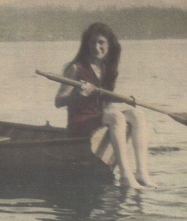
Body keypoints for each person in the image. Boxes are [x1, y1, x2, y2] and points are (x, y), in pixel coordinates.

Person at [55, 23, 155, 188]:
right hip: (79, 121)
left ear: (109, 45)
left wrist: (124, 100)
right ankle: (124, 175)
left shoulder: (107, 68)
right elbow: (58, 101)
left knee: (137, 114)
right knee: (116, 117)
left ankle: (141, 172)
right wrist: (77, 94)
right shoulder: (76, 68)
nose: (96, 47)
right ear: (87, 44)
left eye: (101, 43)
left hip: (97, 117)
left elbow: (102, 97)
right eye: (92, 42)